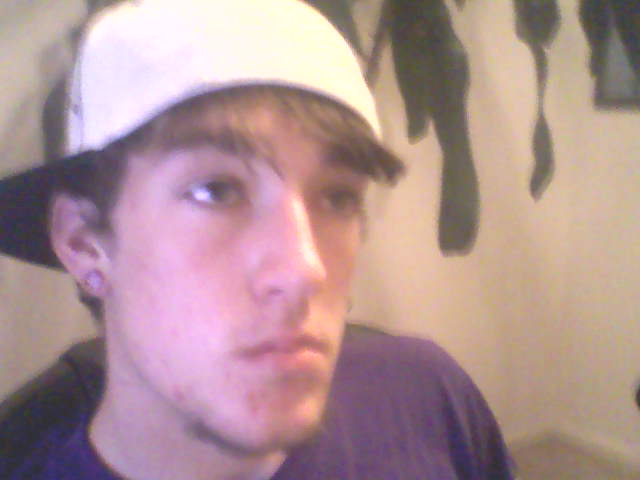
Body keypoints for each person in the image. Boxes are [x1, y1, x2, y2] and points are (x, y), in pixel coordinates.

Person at [0, 0, 515, 478]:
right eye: (216, 191)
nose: (304, 269)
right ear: (84, 243)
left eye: (339, 197)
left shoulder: (425, 395)